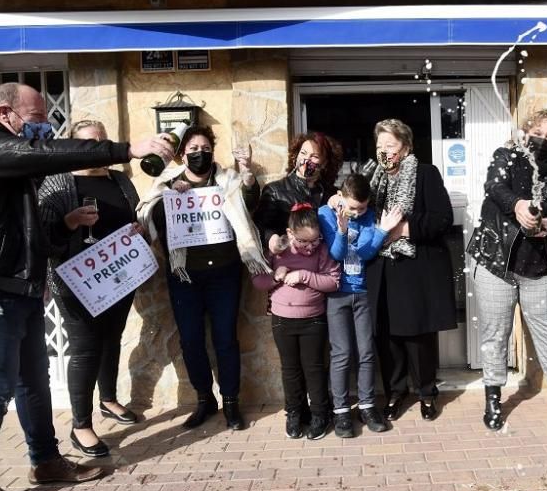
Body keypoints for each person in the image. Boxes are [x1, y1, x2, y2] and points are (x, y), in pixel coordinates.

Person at [0, 83, 174, 491]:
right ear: (6, 112)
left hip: (16, 285)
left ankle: (46, 461)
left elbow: (30, 225)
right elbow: (43, 155)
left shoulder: (10, 160)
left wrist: (43, 258)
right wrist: (122, 149)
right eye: (37, 115)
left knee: (33, 380)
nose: (44, 125)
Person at [137, 126, 268, 430]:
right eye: (193, 149)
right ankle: (204, 399)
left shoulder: (227, 180)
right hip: (185, 275)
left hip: (224, 273)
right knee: (191, 341)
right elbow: (148, 218)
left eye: (205, 147)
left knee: (225, 339)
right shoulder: (168, 183)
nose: (200, 153)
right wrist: (171, 197)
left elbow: (249, 202)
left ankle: (231, 404)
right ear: (182, 154)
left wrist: (247, 172)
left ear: (213, 150)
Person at [467, 110, 547, 431]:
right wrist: (518, 205)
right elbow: (494, 186)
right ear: (526, 130)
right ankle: (493, 398)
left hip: (538, 265)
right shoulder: (506, 155)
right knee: (496, 335)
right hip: (496, 261)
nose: (543, 141)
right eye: (538, 133)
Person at [38, 120, 142, 457]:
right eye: (88, 143)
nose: (96, 148)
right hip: (73, 282)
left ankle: (108, 399)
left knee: (112, 339)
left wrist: (138, 229)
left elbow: (134, 215)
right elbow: (42, 234)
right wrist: (70, 221)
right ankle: (80, 425)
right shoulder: (56, 180)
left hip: (117, 277)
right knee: (85, 349)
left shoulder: (121, 179)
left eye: (101, 142)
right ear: (74, 146)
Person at [367, 119, 456, 421]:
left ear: (405, 147)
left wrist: (404, 229)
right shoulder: (372, 179)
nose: (384, 153)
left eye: (390, 147)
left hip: (414, 268)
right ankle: (395, 393)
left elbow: (443, 217)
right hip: (381, 268)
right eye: (380, 147)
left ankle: (427, 393)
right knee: (387, 337)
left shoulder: (425, 173)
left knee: (418, 337)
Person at [317, 174, 403, 437]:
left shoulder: (368, 216)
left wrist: (380, 230)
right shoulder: (325, 213)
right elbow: (336, 254)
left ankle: (366, 405)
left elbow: (366, 253)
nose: (356, 212)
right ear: (340, 196)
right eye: (352, 207)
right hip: (337, 295)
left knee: (366, 352)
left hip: (363, 293)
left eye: (362, 208)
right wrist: (342, 231)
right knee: (341, 353)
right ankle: (341, 410)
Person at [252, 203, 341, 440]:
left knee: (314, 369)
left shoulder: (321, 251)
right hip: (283, 320)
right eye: (303, 242)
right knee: (290, 370)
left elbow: (333, 281)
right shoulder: (277, 251)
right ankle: (294, 413)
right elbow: (258, 282)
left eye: (314, 240)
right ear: (290, 234)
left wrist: (304, 276)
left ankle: (320, 413)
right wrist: (275, 277)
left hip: (313, 320)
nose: (310, 247)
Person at [255, 132, 343, 255]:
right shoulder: (275, 190)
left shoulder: (331, 194)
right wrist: (271, 239)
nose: (306, 160)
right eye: (303, 153)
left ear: (324, 163)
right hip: (290, 261)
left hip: (323, 264)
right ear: (295, 156)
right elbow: (260, 226)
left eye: (314, 156)